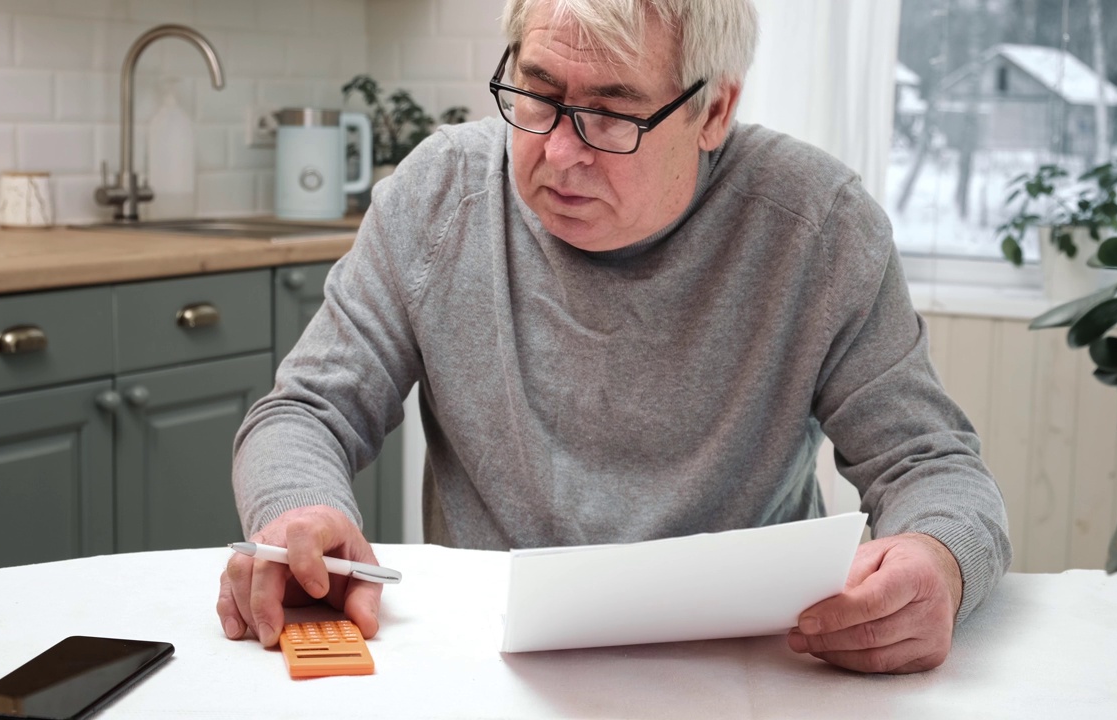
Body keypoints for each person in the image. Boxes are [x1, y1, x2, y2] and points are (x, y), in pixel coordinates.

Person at [217, 0, 1012, 675]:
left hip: (746, 667)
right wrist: (300, 514)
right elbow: (304, 412)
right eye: (537, 94)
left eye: (610, 113)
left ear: (715, 111)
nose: (560, 153)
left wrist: (937, 561)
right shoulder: (438, 197)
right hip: (491, 663)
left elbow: (931, 465)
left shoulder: (818, 227)